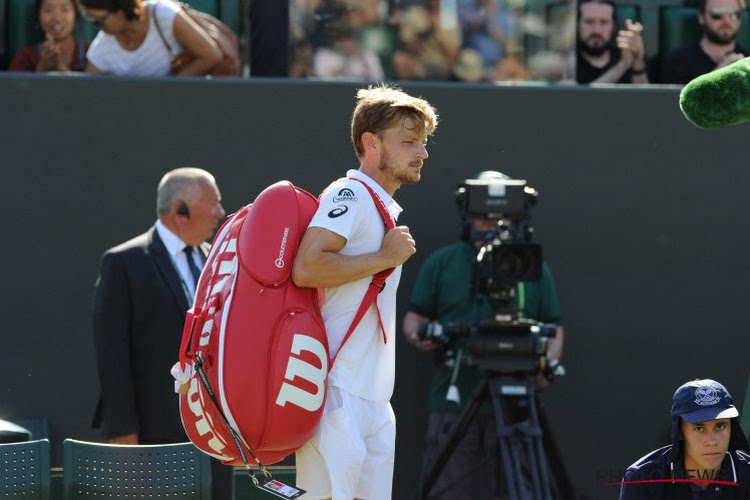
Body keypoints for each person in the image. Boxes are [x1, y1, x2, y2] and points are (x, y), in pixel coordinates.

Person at [292, 84, 438, 499]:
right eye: (408, 142)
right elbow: (308, 266)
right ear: (370, 143)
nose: (422, 153)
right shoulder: (350, 193)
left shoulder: (381, 207)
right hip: (335, 394)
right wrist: (384, 257)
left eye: (423, 143)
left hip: (372, 401)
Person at [402, 171, 565, 500]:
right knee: (447, 488)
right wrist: (423, 334)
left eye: (500, 217)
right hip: (455, 396)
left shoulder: (530, 264)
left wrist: (544, 368)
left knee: (519, 487)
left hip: (517, 400)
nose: (491, 224)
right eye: (483, 216)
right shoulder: (443, 263)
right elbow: (413, 319)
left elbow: (554, 326)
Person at [91, 167, 233, 498]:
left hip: (214, 433)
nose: (220, 213)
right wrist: (124, 432)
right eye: (213, 203)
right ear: (180, 211)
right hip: (154, 435)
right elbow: (112, 355)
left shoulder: (217, 260)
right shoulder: (125, 262)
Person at [619, 379, 750, 499]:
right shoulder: (642, 479)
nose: (712, 441)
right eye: (699, 428)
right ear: (679, 432)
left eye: (720, 426)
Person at [80, 0, 222, 76]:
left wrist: (170, 88)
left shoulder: (163, 14)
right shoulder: (101, 47)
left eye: (100, 20)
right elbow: (88, 89)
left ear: (120, 9)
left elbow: (211, 56)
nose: (97, 26)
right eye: (92, 21)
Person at [660, 0, 747, 84]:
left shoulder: (747, 60)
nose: (726, 21)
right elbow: (677, 98)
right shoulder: (678, 62)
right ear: (701, 17)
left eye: (734, 14)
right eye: (716, 14)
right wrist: (717, 75)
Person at [576, 0, 648, 84]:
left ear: (613, 26)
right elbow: (577, 96)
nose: (596, 30)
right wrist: (622, 66)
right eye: (589, 22)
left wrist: (637, 61)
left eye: (604, 22)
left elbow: (645, 96)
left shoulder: (627, 55)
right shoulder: (568, 64)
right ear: (577, 24)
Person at [9, 0, 89, 72]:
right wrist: (42, 68)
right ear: (38, 15)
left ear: (76, 14)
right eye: (48, 10)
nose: (57, 18)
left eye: (65, 10)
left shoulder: (91, 54)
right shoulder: (25, 58)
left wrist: (63, 72)